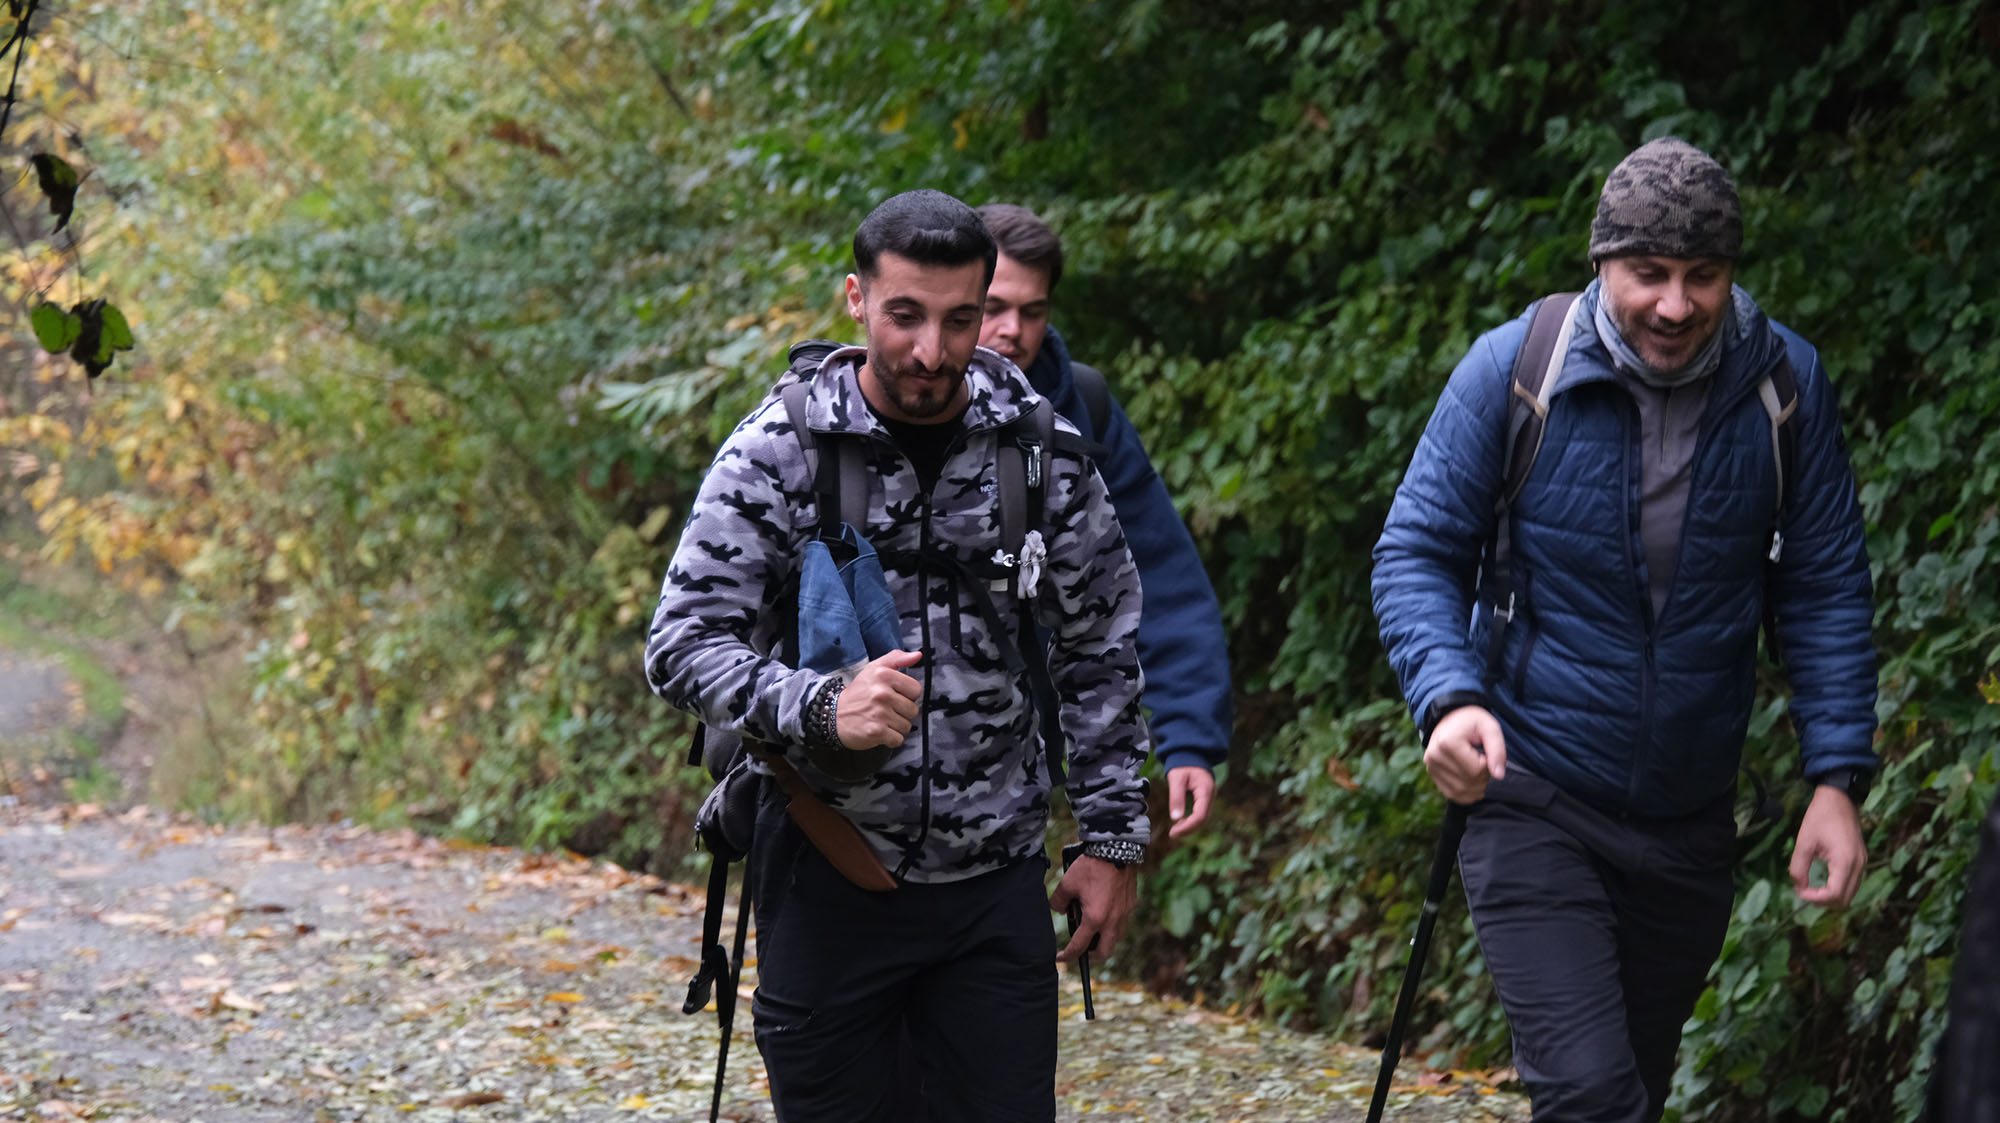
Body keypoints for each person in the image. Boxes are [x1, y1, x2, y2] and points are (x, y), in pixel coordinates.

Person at [1370, 137, 1879, 1122]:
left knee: (1627, 1094)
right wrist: (1446, 697)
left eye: (1703, 276)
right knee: (1594, 1095)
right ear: (1601, 263)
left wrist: (1834, 777)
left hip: (1688, 823)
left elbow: (1822, 589)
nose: (1675, 305)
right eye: (1648, 273)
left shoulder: (1782, 388)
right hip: (1533, 792)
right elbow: (1414, 550)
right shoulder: (1517, 371)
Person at [646, 189, 1152, 1122]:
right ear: (856, 298)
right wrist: (815, 703)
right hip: (829, 868)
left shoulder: (1041, 452)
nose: (931, 350)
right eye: (905, 315)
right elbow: (679, 643)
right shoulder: (780, 449)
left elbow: (1101, 641)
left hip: (993, 885)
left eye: (961, 319)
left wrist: (1113, 835)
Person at [974, 202, 1233, 838]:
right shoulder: (869, 406)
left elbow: (1157, 571)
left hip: (1025, 758)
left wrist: (1189, 737)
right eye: (994, 308)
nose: (1013, 329)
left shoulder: (1081, 412)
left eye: (1032, 312)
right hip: (878, 757)